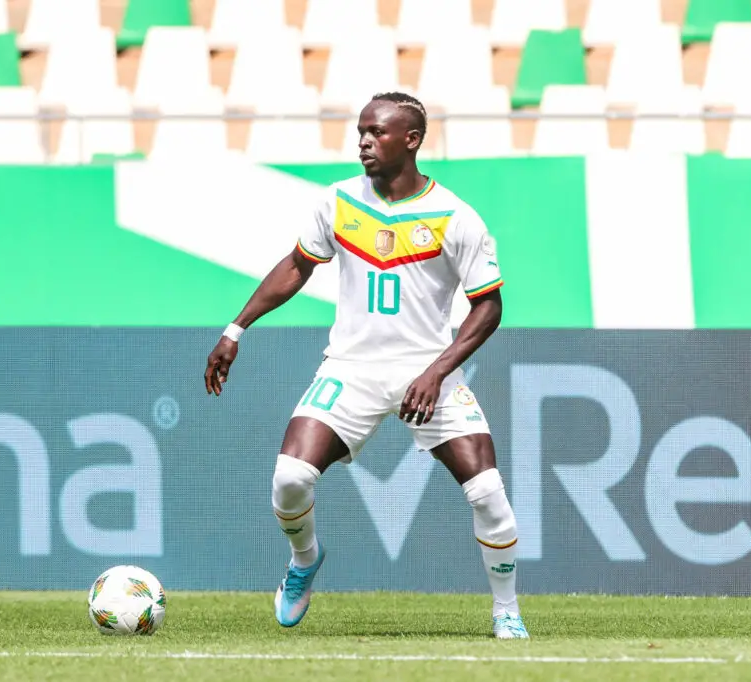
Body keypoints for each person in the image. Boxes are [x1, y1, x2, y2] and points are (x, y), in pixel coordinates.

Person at [203, 92, 529, 640]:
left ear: (412, 139)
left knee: (488, 492)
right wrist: (236, 329)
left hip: (427, 371)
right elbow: (298, 265)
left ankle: (507, 611)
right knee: (290, 479)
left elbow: (488, 306)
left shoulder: (455, 217)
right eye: (361, 132)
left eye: (377, 132)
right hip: (351, 368)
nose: (364, 142)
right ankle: (304, 559)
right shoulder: (337, 202)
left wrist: (437, 371)